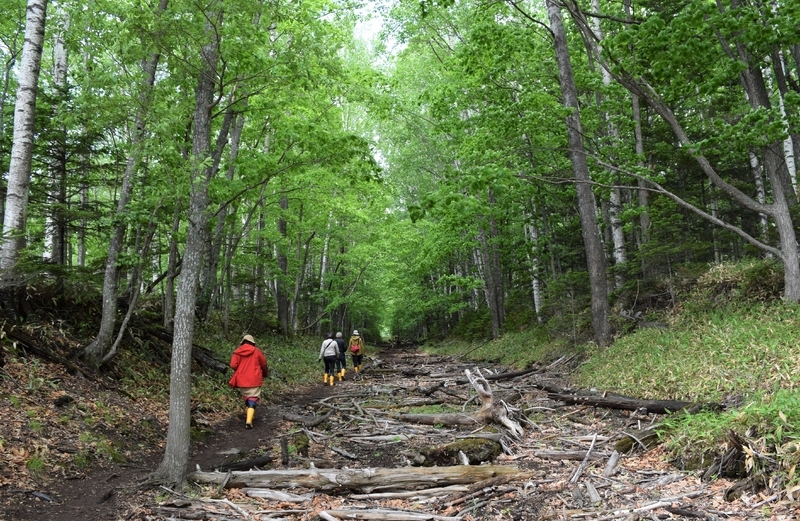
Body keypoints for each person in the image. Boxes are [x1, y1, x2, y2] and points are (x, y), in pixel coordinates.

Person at [228, 334, 268, 429]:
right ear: (252, 343)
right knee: (253, 398)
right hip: (255, 379)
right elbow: (264, 364)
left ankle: (249, 415)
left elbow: (233, 365)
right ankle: (249, 420)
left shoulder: (237, 352)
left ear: (243, 342)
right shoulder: (257, 351)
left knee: (247, 397)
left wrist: (241, 368)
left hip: (242, 379)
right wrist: (265, 373)